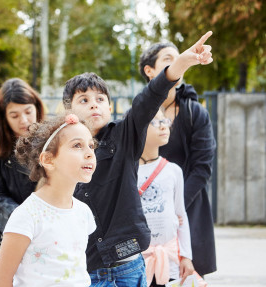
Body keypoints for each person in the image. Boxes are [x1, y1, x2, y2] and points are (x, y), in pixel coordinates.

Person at [62, 31, 213, 286]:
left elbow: (149, 97)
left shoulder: (125, 136)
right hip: (85, 267)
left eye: (100, 99)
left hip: (129, 266)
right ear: (69, 110)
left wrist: (181, 63)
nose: (94, 105)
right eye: (84, 100)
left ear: (110, 107)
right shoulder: (62, 149)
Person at [139, 42, 217, 276]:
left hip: (188, 207)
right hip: (146, 211)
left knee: (186, 275)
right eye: (168, 59)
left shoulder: (196, 112)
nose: (178, 62)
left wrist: (174, 206)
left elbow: (202, 167)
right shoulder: (139, 112)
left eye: (179, 57)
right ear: (149, 70)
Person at [0, 114, 97, 286]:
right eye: (77, 145)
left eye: (91, 145)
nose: (89, 153)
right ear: (48, 160)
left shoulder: (83, 212)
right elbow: (1, 280)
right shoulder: (28, 215)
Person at [0, 78, 45, 259]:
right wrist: (24, 217)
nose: (24, 121)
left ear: (37, 108)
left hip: (49, 225)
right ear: (3, 118)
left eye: (28, 112)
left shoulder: (53, 139)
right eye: (14, 116)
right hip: (13, 226)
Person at [137, 109, 193, 286]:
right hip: (137, 260)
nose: (163, 125)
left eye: (165, 120)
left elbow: (180, 214)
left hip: (169, 259)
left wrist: (186, 256)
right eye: (154, 121)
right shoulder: (128, 172)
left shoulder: (173, 171)